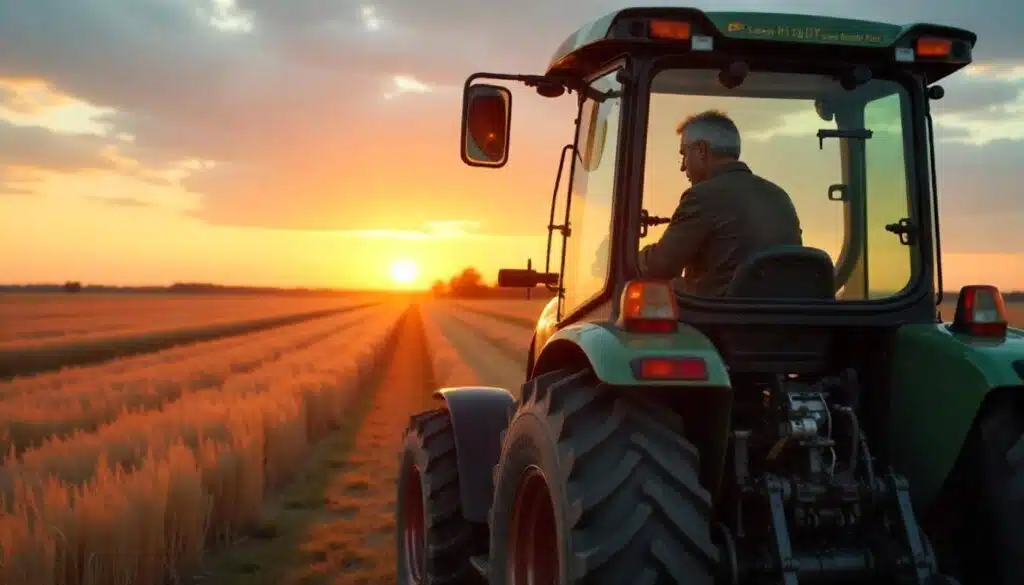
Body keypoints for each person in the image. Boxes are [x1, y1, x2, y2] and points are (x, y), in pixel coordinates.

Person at [638, 109, 803, 296]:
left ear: (701, 150)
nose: (683, 166)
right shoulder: (779, 196)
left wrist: (627, 257)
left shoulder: (702, 196)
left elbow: (660, 267)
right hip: (779, 318)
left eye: (684, 154)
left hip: (721, 319)